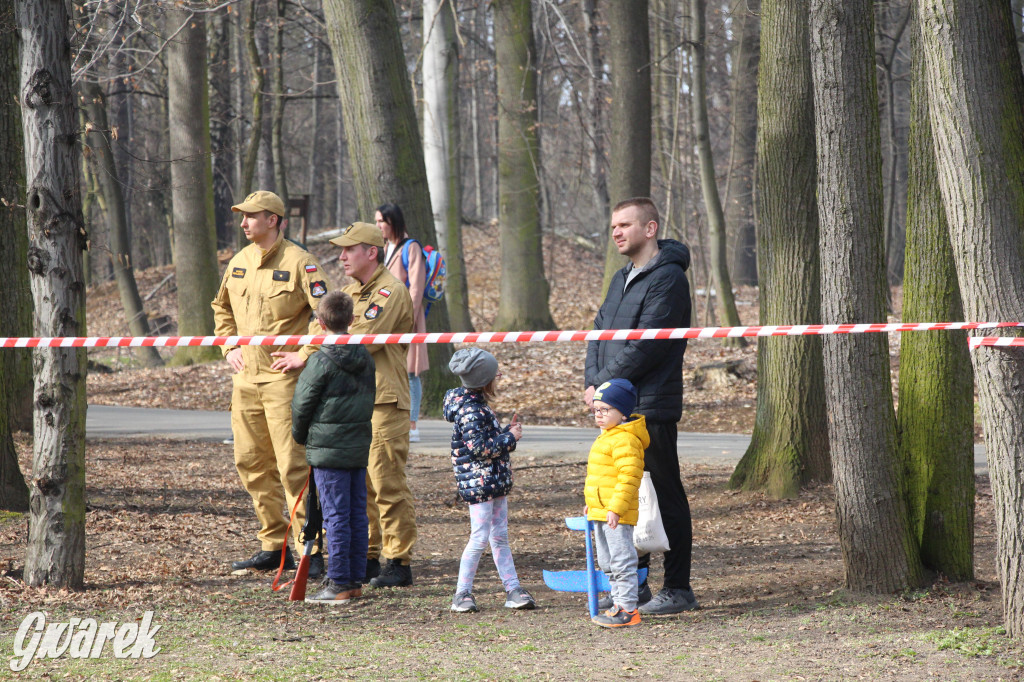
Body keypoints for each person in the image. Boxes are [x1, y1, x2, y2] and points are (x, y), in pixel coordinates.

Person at [584, 196, 698, 616]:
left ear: (649, 229)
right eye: (614, 225)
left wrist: (601, 383)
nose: (617, 232)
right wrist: (593, 382)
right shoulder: (620, 278)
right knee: (625, 495)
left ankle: (679, 587)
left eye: (625, 225)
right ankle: (638, 585)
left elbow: (647, 345)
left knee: (663, 495)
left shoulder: (669, 279)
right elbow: (598, 332)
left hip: (652, 406)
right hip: (615, 406)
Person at [211, 190, 329, 578]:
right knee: (250, 462)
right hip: (245, 380)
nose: (244, 223)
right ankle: (272, 545)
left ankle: (308, 549)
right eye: (242, 216)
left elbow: (325, 315)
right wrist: (229, 346)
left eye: (252, 216)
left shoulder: (301, 263)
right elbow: (221, 307)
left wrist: (304, 353)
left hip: (283, 381)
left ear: (274, 220)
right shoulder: (239, 261)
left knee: (293, 466)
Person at [330, 221, 417, 588]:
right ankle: (368, 555)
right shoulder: (349, 292)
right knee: (360, 484)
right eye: (341, 249)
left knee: (386, 483)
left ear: (372, 252)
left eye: (350, 249)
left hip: (384, 400)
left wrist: (325, 342)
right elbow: (324, 332)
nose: (342, 255)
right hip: (354, 402)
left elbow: (361, 340)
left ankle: (398, 561)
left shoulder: (390, 291)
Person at [291, 291, 377, 604]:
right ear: (352, 320)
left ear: (320, 322)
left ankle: (339, 582)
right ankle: (354, 580)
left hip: (329, 451)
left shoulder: (320, 360)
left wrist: (301, 436)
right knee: (356, 514)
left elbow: (301, 404)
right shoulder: (365, 356)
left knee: (336, 517)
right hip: (356, 447)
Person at [443, 348, 535, 613]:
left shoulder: (477, 406)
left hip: (492, 483)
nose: (499, 378)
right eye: (497, 374)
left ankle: (513, 589)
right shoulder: (471, 410)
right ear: (485, 380)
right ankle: (462, 594)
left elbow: (484, 441)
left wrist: (505, 432)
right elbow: (479, 449)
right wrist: (510, 438)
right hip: (480, 485)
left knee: (500, 537)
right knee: (480, 538)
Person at [584, 378, 647, 628]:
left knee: (621, 561)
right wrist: (593, 504)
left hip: (616, 514)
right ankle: (617, 604)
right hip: (602, 511)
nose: (599, 415)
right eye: (596, 410)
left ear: (622, 413)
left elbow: (629, 477)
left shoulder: (625, 439)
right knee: (608, 562)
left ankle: (628, 609)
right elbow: (600, 477)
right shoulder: (607, 436)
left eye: (605, 410)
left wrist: (616, 508)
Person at [376, 203, 429, 443]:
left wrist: (409, 317)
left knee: (410, 372)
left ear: (393, 222)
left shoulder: (411, 247)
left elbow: (416, 286)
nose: (378, 227)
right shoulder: (385, 248)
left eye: (381, 222)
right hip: (386, 318)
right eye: (376, 222)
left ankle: (413, 423)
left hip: (407, 317)